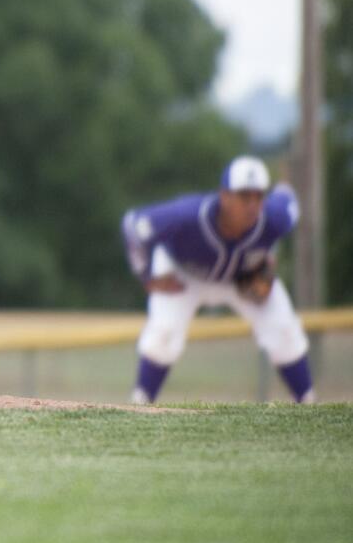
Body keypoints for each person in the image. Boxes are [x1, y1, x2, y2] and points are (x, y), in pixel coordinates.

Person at [120, 155, 314, 404]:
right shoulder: (188, 215)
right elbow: (133, 226)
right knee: (163, 334)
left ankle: (308, 402)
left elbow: (288, 199)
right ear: (225, 196)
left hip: (242, 277)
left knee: (284, 330)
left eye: (258, 196)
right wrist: (148, 277)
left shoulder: (275, 217)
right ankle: (141, 402)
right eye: (245, 196)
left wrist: (270, 251)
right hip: (184, 275)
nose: (253, 205)